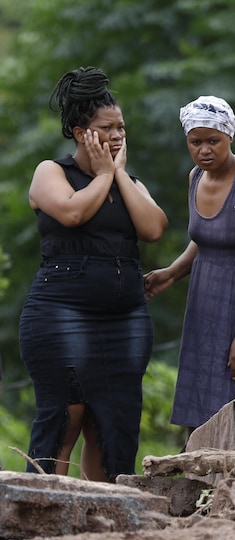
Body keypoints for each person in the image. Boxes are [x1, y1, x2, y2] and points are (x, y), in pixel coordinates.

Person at [19, 67, 168, 481]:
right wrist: (103, 175)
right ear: (81, 132)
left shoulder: (129, 182)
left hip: (124, 317)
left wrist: (117, 173)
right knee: (67, 413)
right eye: (107, 128)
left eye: (121, 126)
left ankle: (106, 516)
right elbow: (71, 212)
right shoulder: (51, 172)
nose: (118, 134)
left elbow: (153, 228)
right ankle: (42, 508)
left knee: (112, 422)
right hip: (61, 309)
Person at [143, 96, 235, 432]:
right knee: (205, 400)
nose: (204, 150)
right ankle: (204, 476)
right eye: (196, 142)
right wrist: (171, 273)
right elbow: (205, 238)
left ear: (230, 137)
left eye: (213, 141)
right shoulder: (196, 177)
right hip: (206, 302)